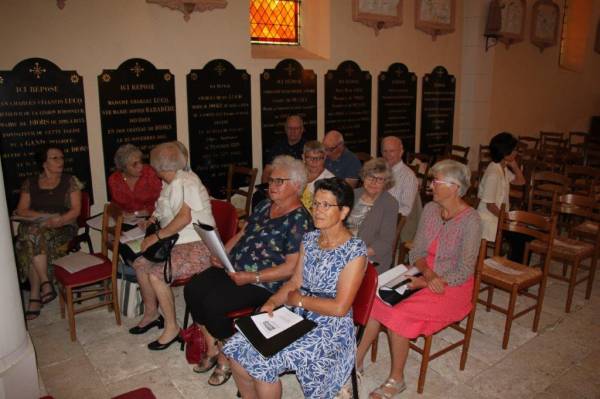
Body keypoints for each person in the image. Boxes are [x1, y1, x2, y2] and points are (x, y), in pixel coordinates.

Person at [224, 177, 367, 398]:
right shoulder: (309, 239)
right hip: (297, 313)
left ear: (344, 212)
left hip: (330, 327)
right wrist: (270, 303)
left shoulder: (354, 252)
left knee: (264, 364)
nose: (318, 211)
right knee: (236, 350)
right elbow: (294, 282)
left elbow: (339, 308)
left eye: (326, 205)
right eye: (316, 204)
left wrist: (299, 300)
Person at [355, 160, 482, 398]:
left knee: (398, 315)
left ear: (455, 187)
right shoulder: (432, 210)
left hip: (452, 285)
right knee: (375, 299)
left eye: (436, 182)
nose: (430, 186)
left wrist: (428, 281)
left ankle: (397, 379)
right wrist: (426, 273)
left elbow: (465, 270)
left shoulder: (471, 220)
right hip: (423, 273)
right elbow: (417, 252)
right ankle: (355, 362)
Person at [184, 155, 313, 387]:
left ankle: (227, 353)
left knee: (214, 304)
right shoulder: (264, 205)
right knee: (193, 288)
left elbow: (291, 269)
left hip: (262, 282)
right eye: (270, 181)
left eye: (278, 181)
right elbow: (243, 233)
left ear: (296, 185)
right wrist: (222, 253)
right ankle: (212, 343)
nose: (271, 186)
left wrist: (251, 277)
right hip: (234, 268)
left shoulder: (299, 221)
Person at [129, 142, 215, 351]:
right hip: (177, 242)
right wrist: (152, 219)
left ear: (158, 167)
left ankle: (172, 327)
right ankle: (151, 314)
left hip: (198, 243)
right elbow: (163, 207)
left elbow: (183, 218)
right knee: (140, 263)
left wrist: (155, 237)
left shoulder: (186, 182)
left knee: (157, 274)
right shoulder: (171, 182)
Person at [14, 145, 82, 320]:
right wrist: (45, 217)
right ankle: (45, 283)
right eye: (55, 158)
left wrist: (58, 220)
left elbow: (75, 211)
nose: (61, 161)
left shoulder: (70, 181)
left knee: (28, 238)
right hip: (39, 226)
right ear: (44, 163)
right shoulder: (30, 182)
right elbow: (21, 210)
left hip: (63, 226)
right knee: (32, 236)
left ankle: (36, 295)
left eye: (61, 157)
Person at [477, 132, 526, 261]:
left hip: (498, 217)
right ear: (506, 153)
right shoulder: (494, 173)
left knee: (524, 234)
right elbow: (490, 206)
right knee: (521, 237)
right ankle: (513, 269)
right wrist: (507, 219)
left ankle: (513, 266)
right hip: (489, 220)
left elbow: (521, 181)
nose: (517, 152)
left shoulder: (501, 168)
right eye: (515, 150)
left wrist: (514, 166)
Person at [347, 158, 399, 273]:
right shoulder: (353, 194)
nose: (373, 182)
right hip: (345, 251)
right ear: (364, 177)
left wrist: (355, 254)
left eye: (379, 179)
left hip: (371, 258)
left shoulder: (390, 203)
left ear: (386, 182)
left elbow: (385, 242)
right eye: (370, 177)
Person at [381, 136, 421, 242]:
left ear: (401, 152)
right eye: (385, 151)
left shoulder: (408, 176)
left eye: (392, 151)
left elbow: (406, 210)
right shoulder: (381, 171)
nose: (387, 155)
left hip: (396, 226)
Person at [108, 144, 162, 216]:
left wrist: (144, 212)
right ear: (124, 167)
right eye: (134, 164)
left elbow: (162, 200)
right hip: (126, 221)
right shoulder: (114, 179)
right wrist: (120, 213)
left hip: (151, 218)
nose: (140, 166)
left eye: (140, 162)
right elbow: (115, 205)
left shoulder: (150, 173)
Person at [262, 115, 306, 184]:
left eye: (296, 128)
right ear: (285, 129)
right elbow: (267, 172)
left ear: (302, 129)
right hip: (276, 185)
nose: (293, 131)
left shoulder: (307, 148)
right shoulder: (277, 146)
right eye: (290, 128)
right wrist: (266, 189)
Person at [300, 140, 334, 210]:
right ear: (303, 157)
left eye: (318, 158)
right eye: (310, 158)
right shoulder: (296, 174)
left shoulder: (330, 180)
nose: (314, 162)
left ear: (324, 157)